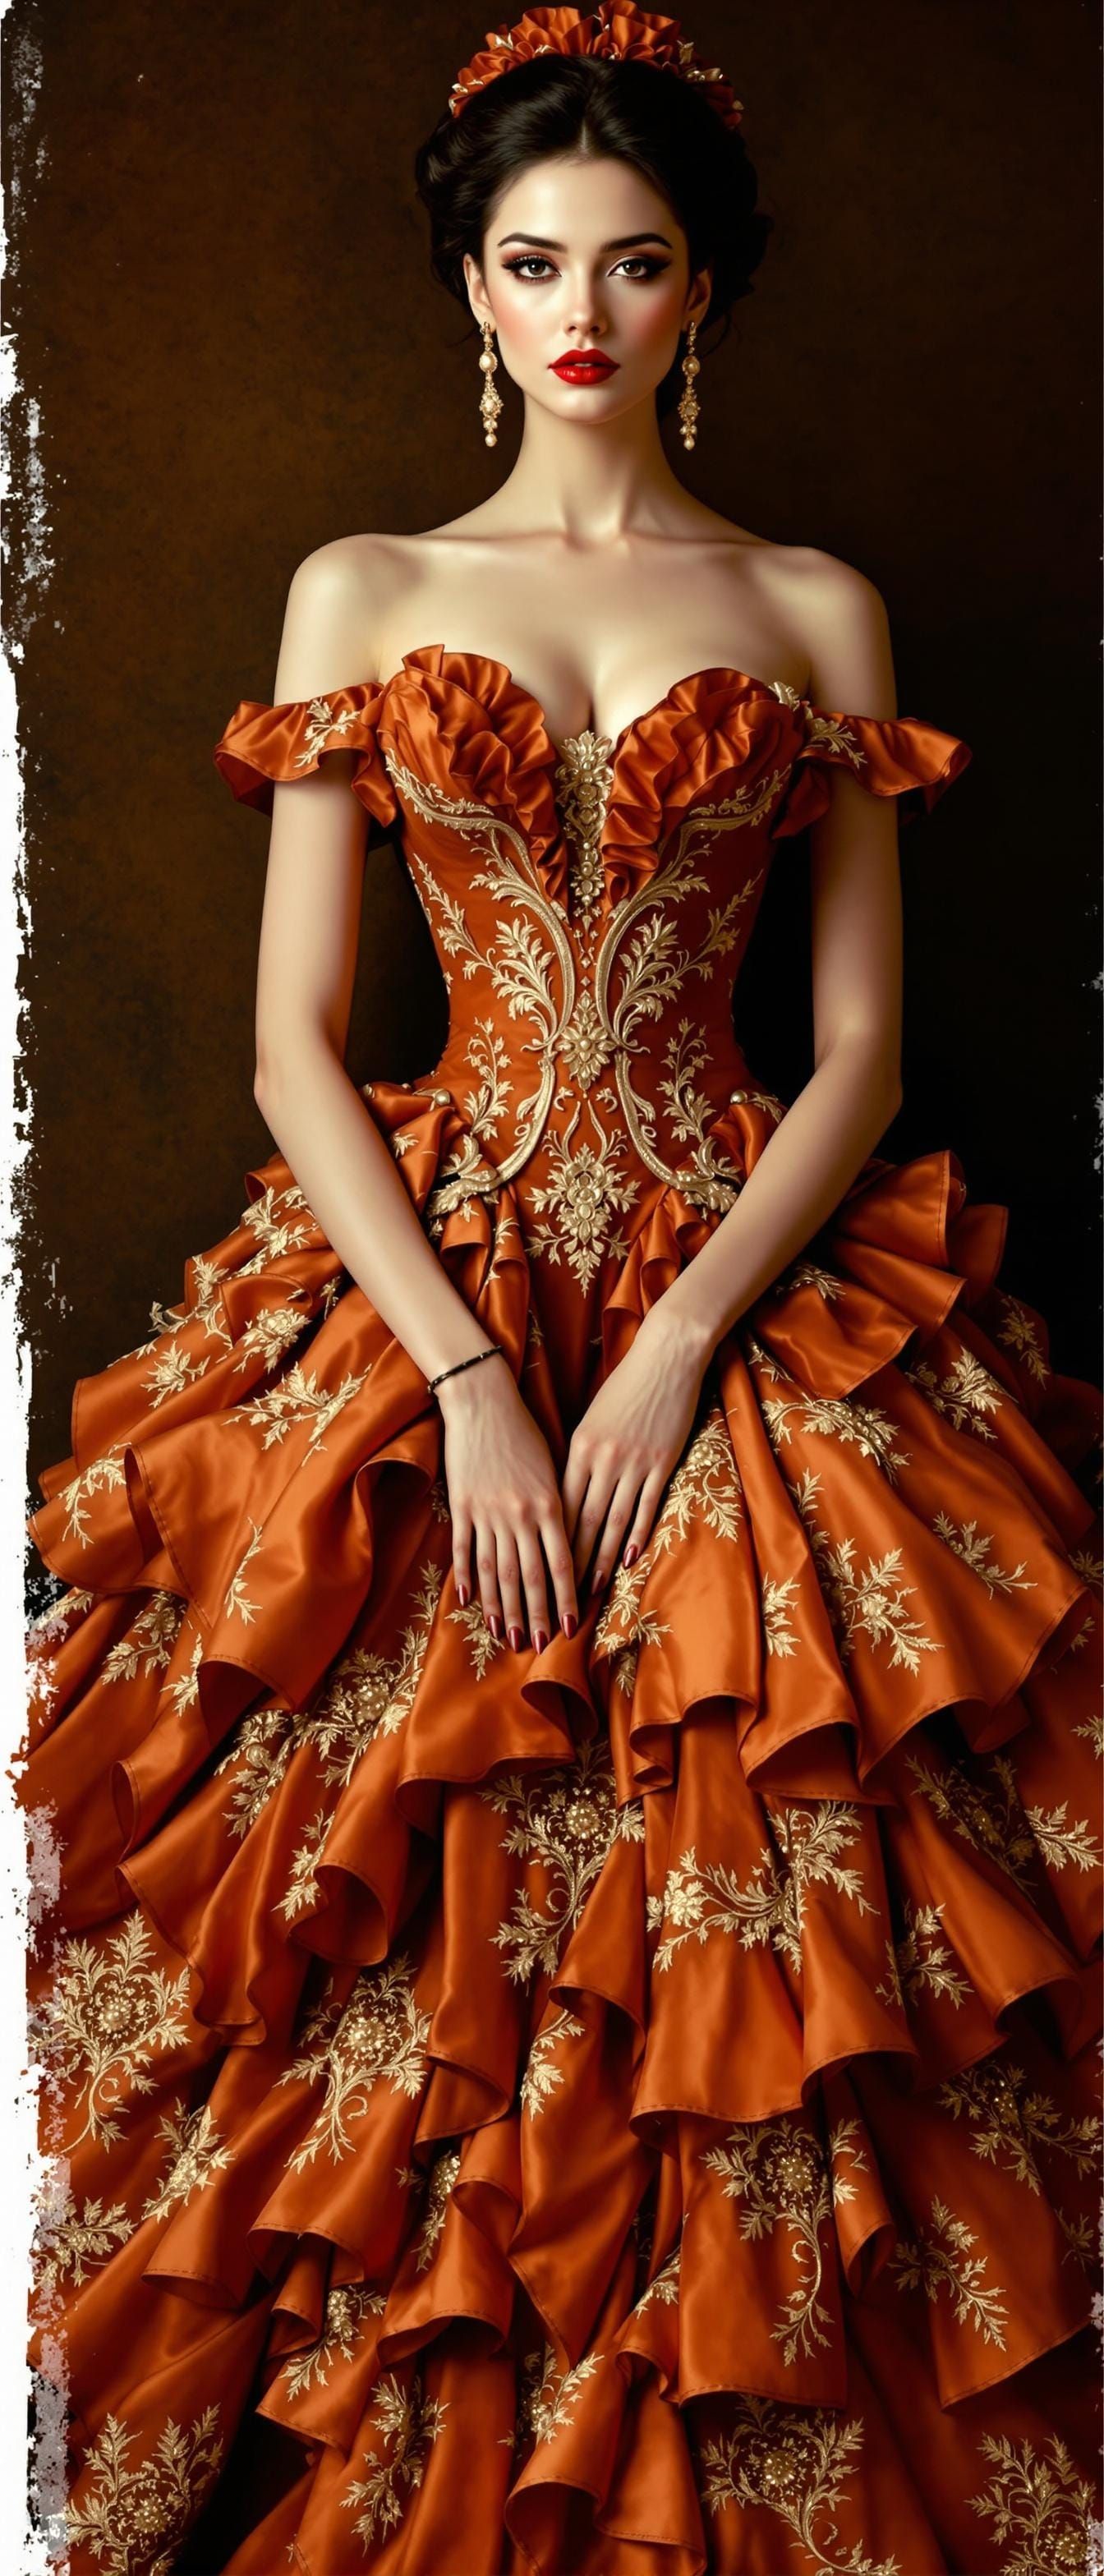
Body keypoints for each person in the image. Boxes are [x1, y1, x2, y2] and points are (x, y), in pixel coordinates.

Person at [23, 8, 1102, 2569]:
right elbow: (294, 1051)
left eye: (632, 262)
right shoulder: (369, 589)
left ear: (703, 285)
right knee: (373, 1909)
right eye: (533, 263)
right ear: (472, 287)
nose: (580, 312)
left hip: (745, 1275)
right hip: (437, 1284)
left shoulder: (811, 606)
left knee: (811, 1899)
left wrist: (685, 1344)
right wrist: (476, 1382)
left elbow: (856, 1052)